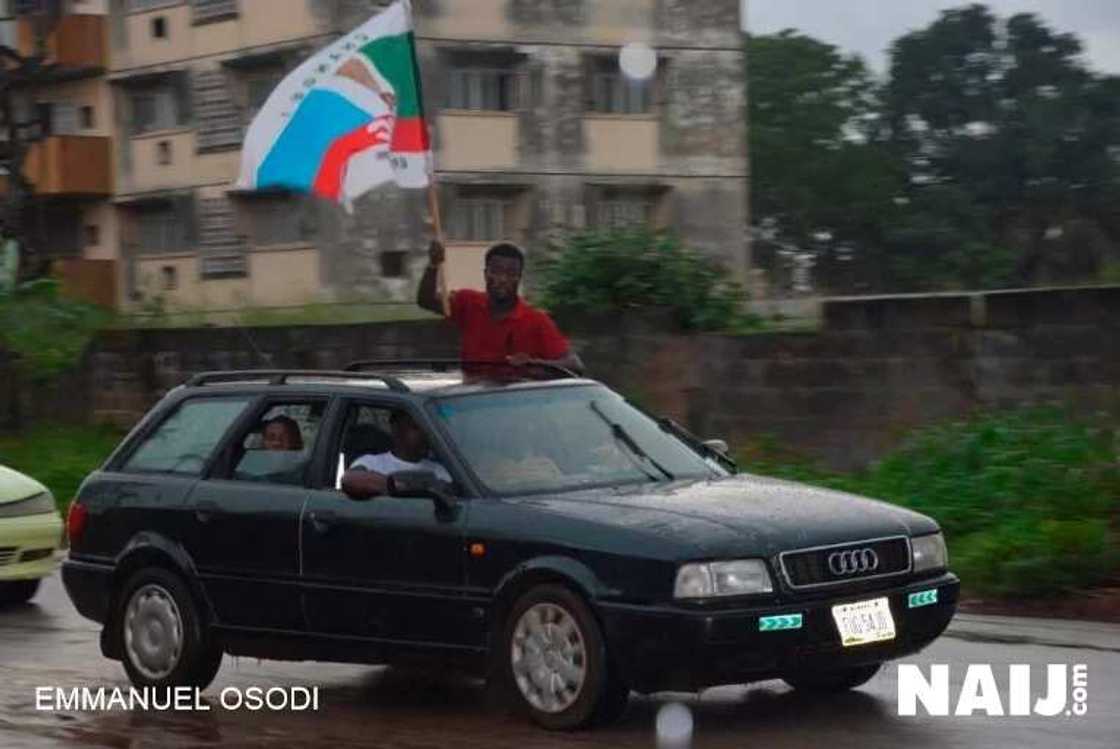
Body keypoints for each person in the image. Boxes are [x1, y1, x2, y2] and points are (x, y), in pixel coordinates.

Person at [416, 240, 584, 374]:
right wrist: (433, 265)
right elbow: (426, 300)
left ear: (519, 278)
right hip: (469, 403)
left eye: (511, 273)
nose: (502, 279)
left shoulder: (536, 320)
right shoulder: (467, 302)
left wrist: (533, 364)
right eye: (496, 271)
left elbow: (575, 365)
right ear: (485, 274)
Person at [341, 410, 451, 500]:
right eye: (416, 428)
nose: (424, 434)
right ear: (396, 430)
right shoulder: (371, 463)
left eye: (427, 429)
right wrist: (397, 486)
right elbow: (349, 479)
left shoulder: (439, 470)